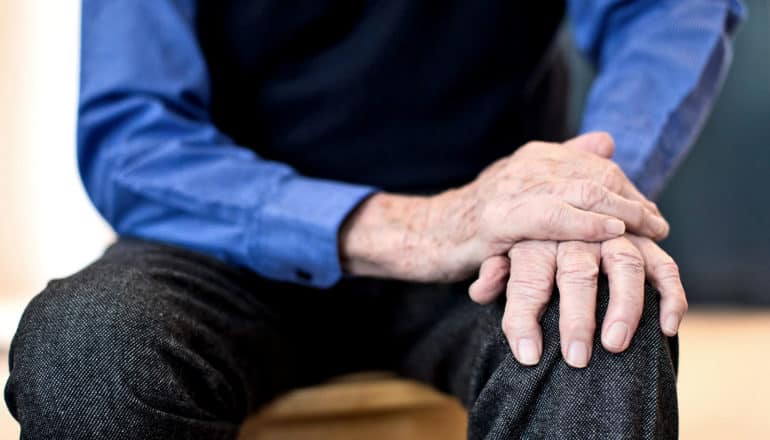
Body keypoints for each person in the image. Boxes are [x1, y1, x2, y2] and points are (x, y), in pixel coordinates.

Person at [5, 1, 744, 438]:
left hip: (499, 242)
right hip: (224, 239)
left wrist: (584, 191)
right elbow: (134, 135)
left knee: (600, 332)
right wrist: (418, 229)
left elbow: (667, 9)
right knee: (87, 350)